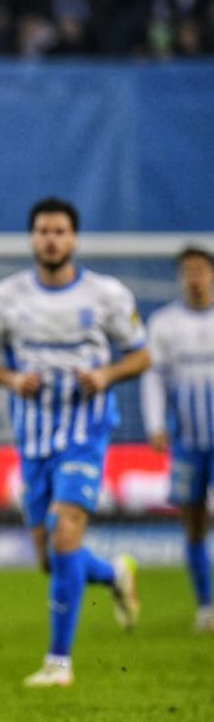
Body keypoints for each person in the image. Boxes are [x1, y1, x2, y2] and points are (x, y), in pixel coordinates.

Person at [0, 197, 150, 688]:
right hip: (33, 438)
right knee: (51, 559)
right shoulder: (6, 297)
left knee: (66, 532)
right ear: (32, 238)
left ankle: (58, 662)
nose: (52, 239)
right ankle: (113, 574)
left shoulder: (106, 295)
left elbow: (140, 355)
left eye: (60, 231)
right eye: (44, 231)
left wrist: (106, 374)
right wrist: (10, 379)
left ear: (74, 238)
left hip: (86, 432)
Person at [141, 244, 214, 632]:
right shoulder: (165, 323)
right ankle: (205, 607)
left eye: (200, 269)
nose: (194, 277)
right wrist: (155, 424)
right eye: (188, 270)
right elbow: (154, 377)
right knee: (193, 523)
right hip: (187, 440)